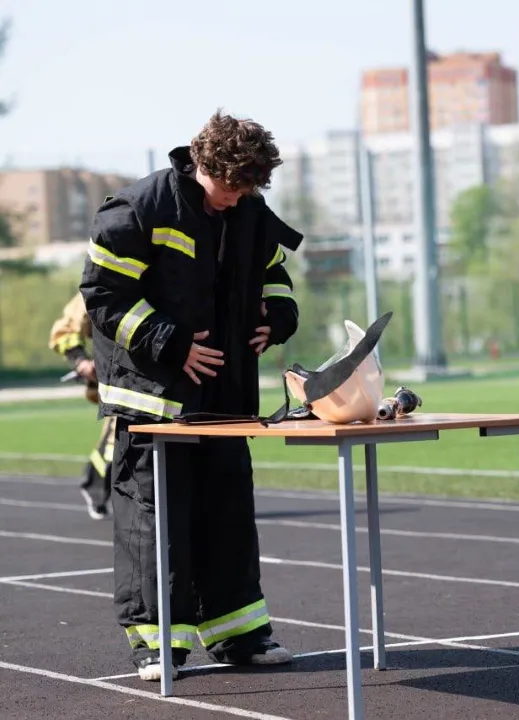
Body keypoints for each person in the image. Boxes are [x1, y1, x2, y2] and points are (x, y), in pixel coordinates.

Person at [79, 111, 303, 681]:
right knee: (156, 523)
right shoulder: (140, 208)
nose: (239, 198)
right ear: (204, 164)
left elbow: (274, 270)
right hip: (154, 402)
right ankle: (157, 645)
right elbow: (102, 295)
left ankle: (240, 635)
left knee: (230, 515)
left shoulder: (247, 207)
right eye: (232, 186)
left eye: (250, 187)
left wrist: (276, 316)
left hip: (225, 401)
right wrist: (170, 343)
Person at [48, 291, 115, 520]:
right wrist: (81, 361)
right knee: (116, 442)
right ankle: (95, 487)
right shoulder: (99, 283)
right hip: (117, 387)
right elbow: (64, 330)